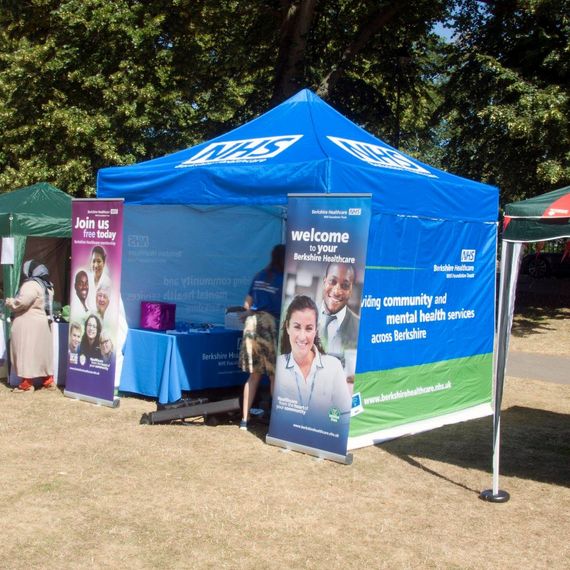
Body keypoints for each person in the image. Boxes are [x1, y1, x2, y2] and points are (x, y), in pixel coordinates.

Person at [273, 295, 351, 433]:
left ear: (316, 330)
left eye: (309, 328)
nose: (302, 336)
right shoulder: (279, 365)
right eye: (297, 327)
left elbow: (344, 417)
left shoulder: (333, 367)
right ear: (287, 327)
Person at [239, 244, 285, 430]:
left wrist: (249, 314)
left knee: (254, 375)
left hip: (252, 326)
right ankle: (275, 421)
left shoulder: (259, 275)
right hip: (270, 326)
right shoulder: (283, 279)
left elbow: (246, 304)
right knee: (274, 375)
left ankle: (244, 419)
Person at [5, 260, 56, 393]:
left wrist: (10, 302)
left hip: (28, 324)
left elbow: (22, 302)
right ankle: (48, 380)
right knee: (42, 353)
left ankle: (27, 384)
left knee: (26, 353)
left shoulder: (31, 285)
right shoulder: (48, 285)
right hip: (42, 324)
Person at [319, 262, 360, 369]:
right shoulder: (301, 317)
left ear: (351, 290)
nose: (337, 291)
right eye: (332, 281)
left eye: (345, 286)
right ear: (324, 282)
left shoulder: (360, 327)